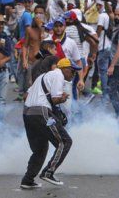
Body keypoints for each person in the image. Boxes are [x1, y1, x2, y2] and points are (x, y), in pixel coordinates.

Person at [20, 58, 79, 189]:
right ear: (64, 69)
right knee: (64, 141)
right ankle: (48, 172)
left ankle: (27, 180)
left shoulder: (43, 76)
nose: (74, 74)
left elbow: (25, 96)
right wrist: (62, 98)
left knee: (40, 150)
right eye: (73, 71)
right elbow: (55, 99)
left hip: (28, 113)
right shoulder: (58, 74)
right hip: (41, 112)